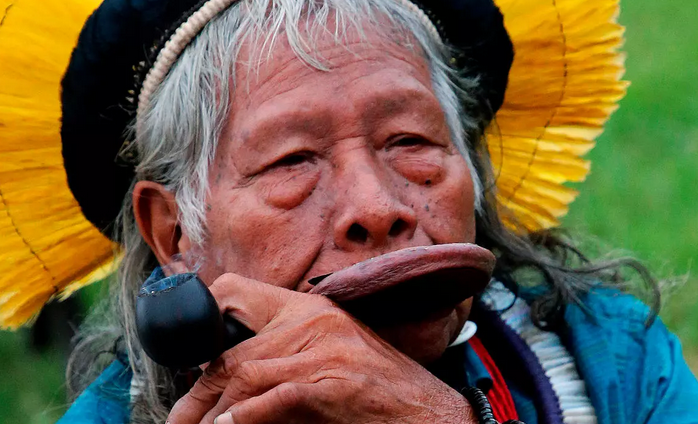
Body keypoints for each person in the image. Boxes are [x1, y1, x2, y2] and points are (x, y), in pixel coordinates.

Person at [0, 0, 696, 423]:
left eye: (410, 141)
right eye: (293, 160)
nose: (377, 207)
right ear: (175, 232)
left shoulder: (614, 364)